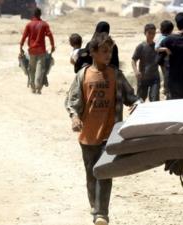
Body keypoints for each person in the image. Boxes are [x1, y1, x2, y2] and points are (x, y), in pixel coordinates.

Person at [65, 32, 140, 225]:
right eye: (104, 51)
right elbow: (72, 101)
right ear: (93, 52)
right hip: (88, 135)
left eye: (110, 51)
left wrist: (137, 104)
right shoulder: (83, 75)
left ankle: (101, 214)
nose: (108, 55)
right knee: (91, 174)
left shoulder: (115, 74)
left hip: (111, 135)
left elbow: (131, 96)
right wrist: (74, 118)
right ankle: (94, 206)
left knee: (105, 173)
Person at [20, 7, 55, 94]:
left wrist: (21, 46)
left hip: (32, 50)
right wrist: (52, 45)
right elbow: (50, 35)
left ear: (33, 14)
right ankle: (38, 88)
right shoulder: (44, 24)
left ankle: (32, 88)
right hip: (41, 50)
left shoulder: (29, 24)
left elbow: (24, 36)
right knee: (40, 68)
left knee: (32, 69)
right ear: (40, 14)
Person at [131, 23, 160, 102]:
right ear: (145, 33)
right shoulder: (141, 46)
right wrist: (136, 71)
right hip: (143, 78)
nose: (151, 35)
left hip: (155, 78)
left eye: (153, 33)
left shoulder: (157, 47)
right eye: (149, 33)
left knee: (155, 100)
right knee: (140, 101)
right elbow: (133, 60)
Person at [155, 20, 174, 96]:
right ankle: (166, 90)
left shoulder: (166, 36)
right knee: (166, 75)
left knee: (167, 75)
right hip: (163, 60)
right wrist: (166, 49)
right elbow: (156, 48)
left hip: (167, 60)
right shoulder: (162, 37)